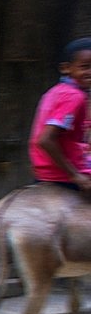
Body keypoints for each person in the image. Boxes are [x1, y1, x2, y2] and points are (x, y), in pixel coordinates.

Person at [29, 37, 91, 196]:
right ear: (66, 68)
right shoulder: (74, 97)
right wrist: (75, 176)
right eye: (85, 67)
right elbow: (45, 139)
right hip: (62, 173)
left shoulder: (57, 91)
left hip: (43, 170)